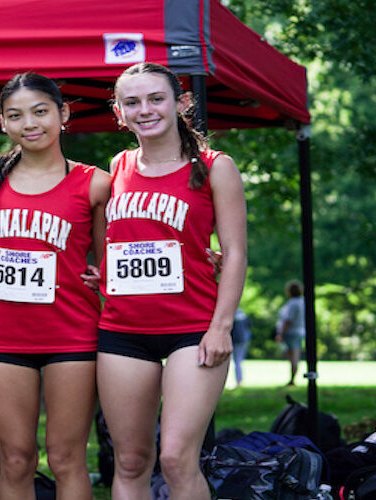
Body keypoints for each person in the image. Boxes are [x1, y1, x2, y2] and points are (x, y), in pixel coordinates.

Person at [95, 62, 247, 500]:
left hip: (192, 329)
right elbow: (125, 244)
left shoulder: (217, 167)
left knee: (177, 458)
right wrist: (99, 273)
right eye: (132, 102)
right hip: (123, 330)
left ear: (181, 103)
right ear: (120, 112)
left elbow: (235, 253)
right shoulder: (117, 165)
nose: (145, 109)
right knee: (129, 461)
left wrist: (221, 326)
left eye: (155, 98)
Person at [0, 73, 109, 500]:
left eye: (40, 111)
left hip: (72, 333)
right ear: (3, 123)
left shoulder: (95, 182)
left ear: (63, 114)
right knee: (15, 458)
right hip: (4, 336)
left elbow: (108, 259)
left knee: (66, 458)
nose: (30, 123)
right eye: (16, 115)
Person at [276, 280, 305, 387]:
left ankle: (292, 379)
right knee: (294, 356)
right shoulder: (302, 302)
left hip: (292, 332)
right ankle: (292, 378)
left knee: (293, 357)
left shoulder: (293, 304)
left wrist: (280, 333)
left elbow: (288, 320)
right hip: (299, 331)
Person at [229, 308, 251, 389]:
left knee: (237, 362)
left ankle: (238, 381)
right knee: (239, 361)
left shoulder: (230, 312)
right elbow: (248, 326)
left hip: (236, 340)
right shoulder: (242, 313)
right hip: (244, 339)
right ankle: (239, 381)